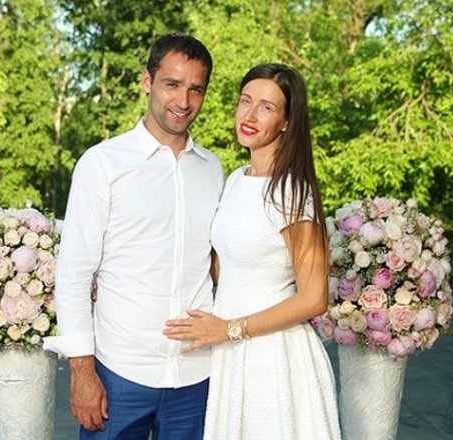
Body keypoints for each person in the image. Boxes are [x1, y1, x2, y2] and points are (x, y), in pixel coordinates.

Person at [44, 33, 224, 440]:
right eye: (172, 84)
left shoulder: (213, 169)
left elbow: (218, 264)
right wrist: (82, 371)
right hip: (119, 373)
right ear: (147, 81)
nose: (183, 101)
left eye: (195, 89)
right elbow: (73, 274)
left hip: (197, 375)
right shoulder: (102, 164)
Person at [163, 63, 342, 439]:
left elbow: (314, 298)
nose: (250, 114)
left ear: (286, 122)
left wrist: (230, 329)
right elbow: (224, 268)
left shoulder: (292, 191)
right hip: (231, 354)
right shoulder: (235, 179)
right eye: (246, 101)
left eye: (266, 107)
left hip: (272, 357)